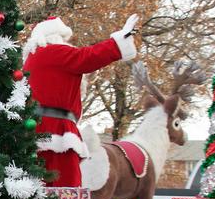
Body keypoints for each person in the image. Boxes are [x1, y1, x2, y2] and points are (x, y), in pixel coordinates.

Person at [22, 14, 139, 187]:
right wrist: (118, 42)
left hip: (36, 129)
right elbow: (87, 57)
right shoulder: (53, 51)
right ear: (55, 35)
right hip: (56, 130)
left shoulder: (33, 57)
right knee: (67, 190)